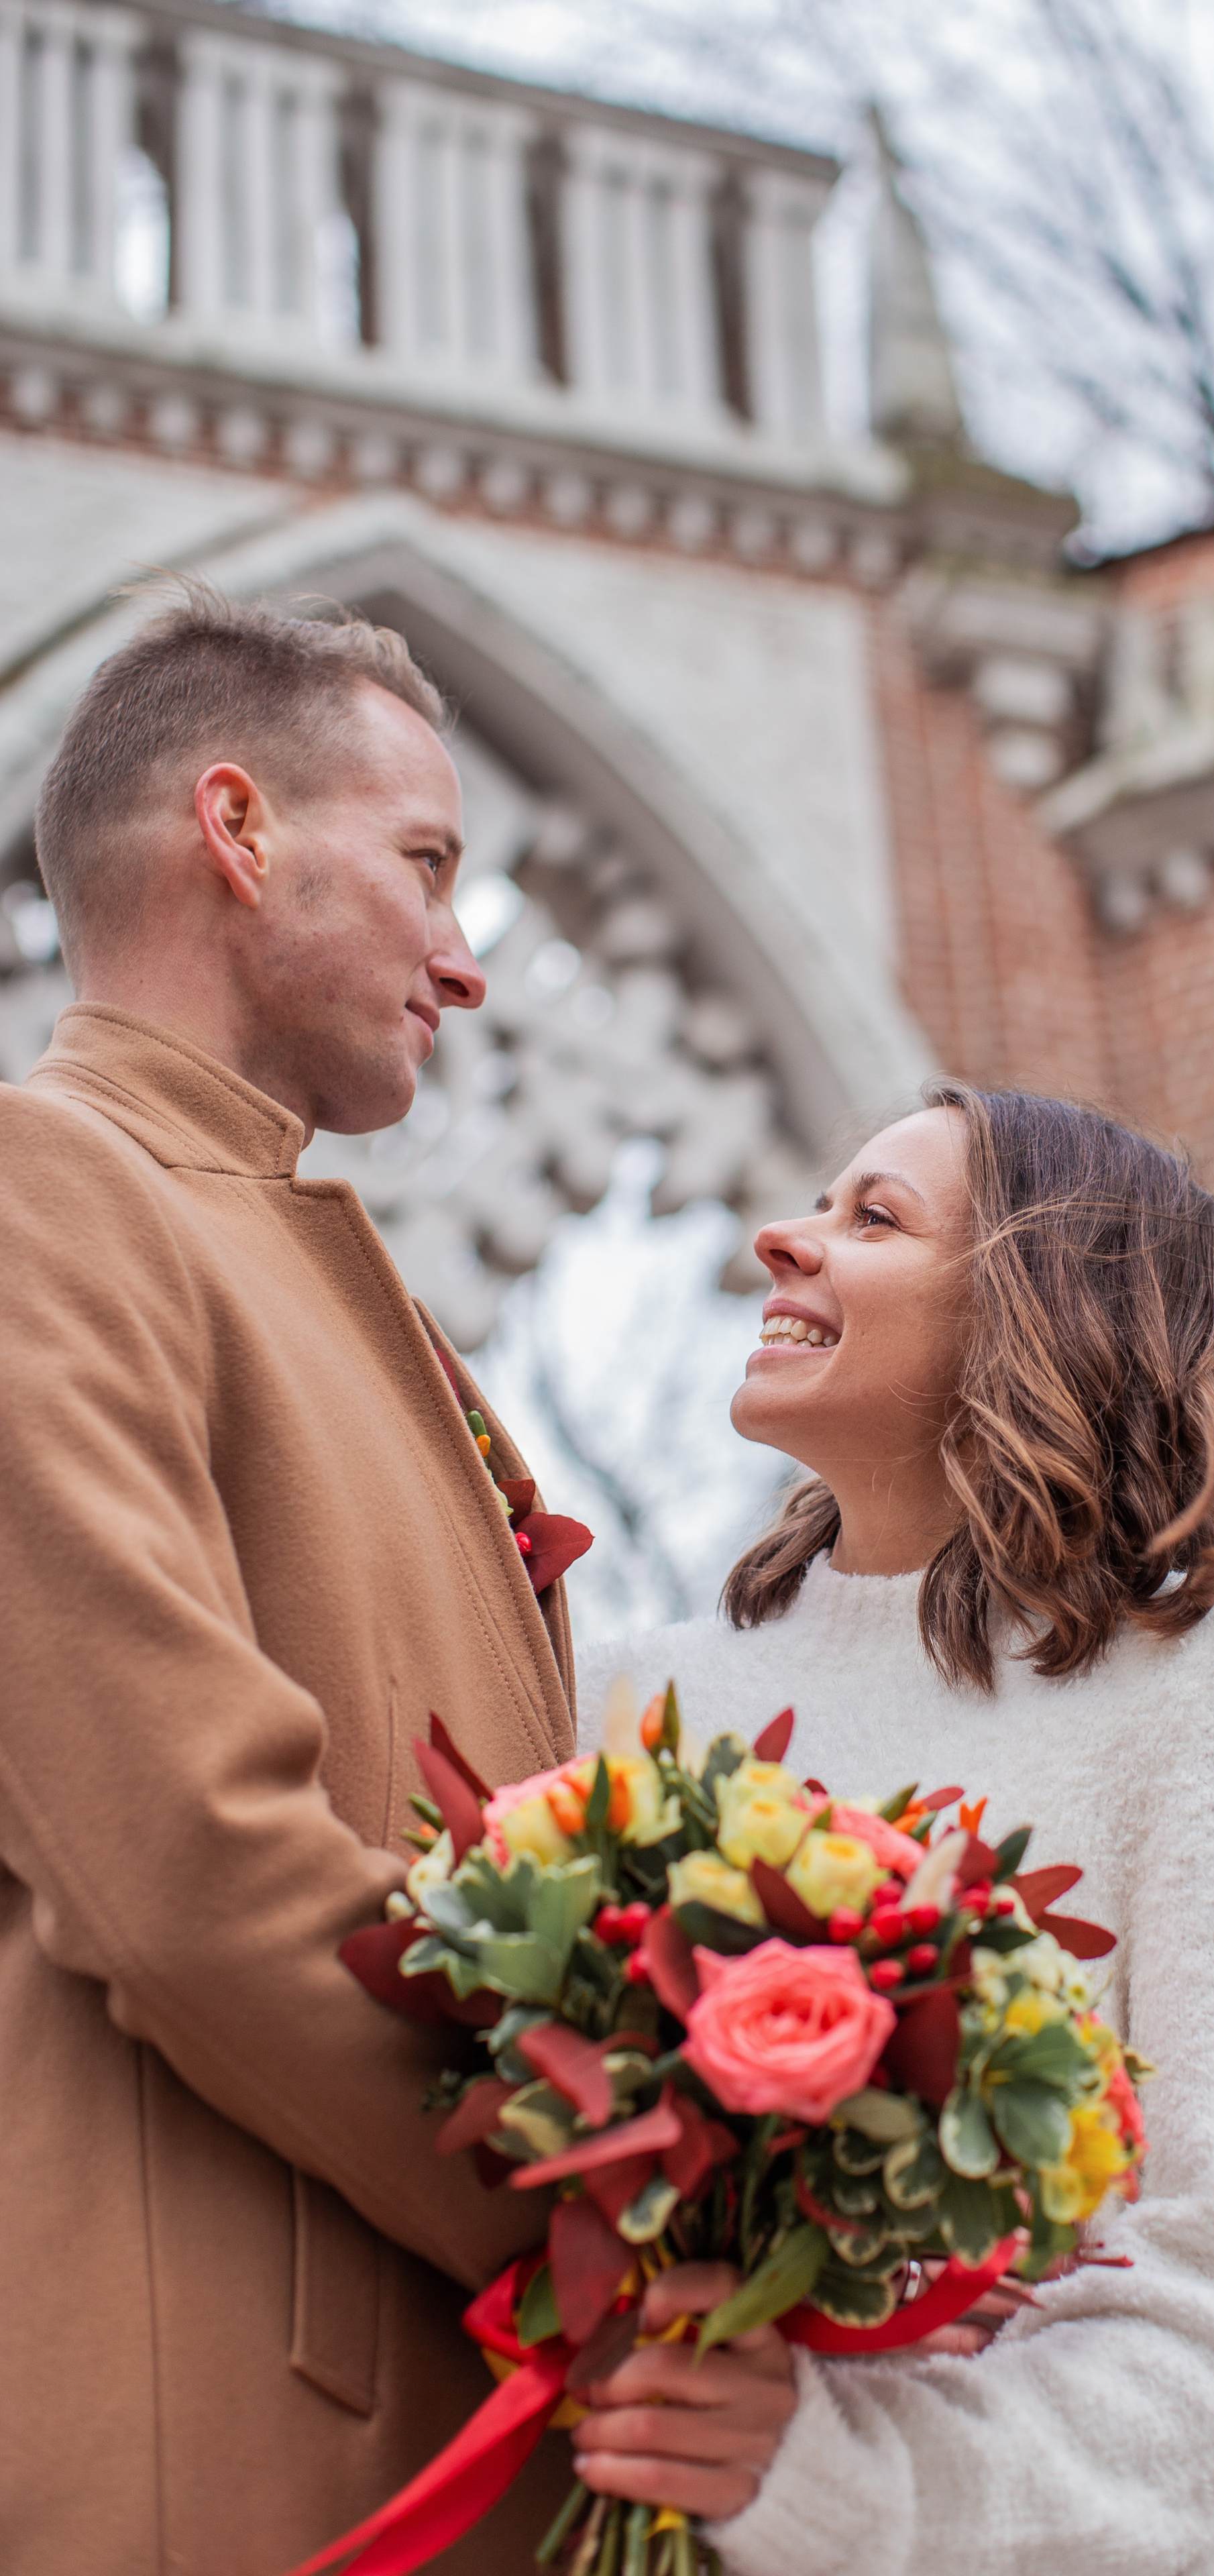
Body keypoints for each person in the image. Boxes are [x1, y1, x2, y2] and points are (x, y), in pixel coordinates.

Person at [0, 587, 591, 2574]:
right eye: (427, 866)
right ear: (240, 831)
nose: (466, 962)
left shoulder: (310, 1266)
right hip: (236, 2437)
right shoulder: (42, 1189)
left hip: (439, 2425)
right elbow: (186, 1860)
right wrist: (613, 2205)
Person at [571, 1085, 1214, 2575]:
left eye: (873, 1218)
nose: (778, 1239)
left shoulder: (1187, 1691)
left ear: (1037, 1308)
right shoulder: (615, 1698)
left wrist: (847, 2477)